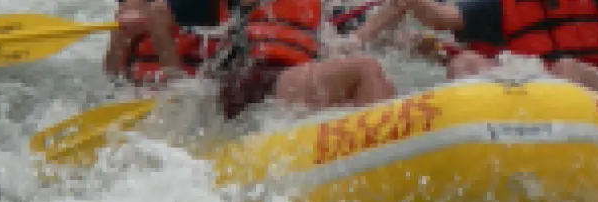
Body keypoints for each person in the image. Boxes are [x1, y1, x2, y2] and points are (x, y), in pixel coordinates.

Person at [104, 0, 397, 120]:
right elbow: (160, 11)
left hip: (284, 77)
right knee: (365, 71)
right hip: (249, 82)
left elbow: (349, 33)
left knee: (379, 80)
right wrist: (174, 76)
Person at [348, 0, 598, 113]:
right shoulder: (499, 6)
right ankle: (478, 140)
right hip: (540, 104)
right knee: (464, 63)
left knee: (566, 69)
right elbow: (438, 16)